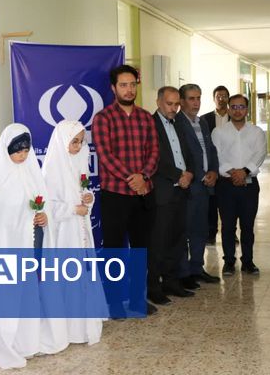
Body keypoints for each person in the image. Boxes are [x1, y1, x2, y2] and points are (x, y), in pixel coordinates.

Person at [0, 123, 50, 369]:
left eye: (26, 150)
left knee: (30, 291)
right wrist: (22, 218)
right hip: (8, 246)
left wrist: (43, 215)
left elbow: (43, 201)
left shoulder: (31, 171)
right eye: (17, 150)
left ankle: (28, 342)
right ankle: (8, 345)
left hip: (31, 241)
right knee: (9, 294)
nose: (22, 155)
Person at [92, 64, 159, 316]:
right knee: (114, 250)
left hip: (143, 194)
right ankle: (115, 303)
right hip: (115, 194)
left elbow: (154, 152)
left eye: (132, 84)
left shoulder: (146, 117)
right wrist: (132, 179)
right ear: (113, 88)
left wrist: (144, 177)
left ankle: (137, 300)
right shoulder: (103, 118)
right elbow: (105, 155)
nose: (129, 90)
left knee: (141, 250)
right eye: (123, 85)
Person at [42, 119, 104, 344]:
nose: (78, 146)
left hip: (81, 228)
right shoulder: (51, 169)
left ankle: (83, 325)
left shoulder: (79, 161)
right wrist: (72, 209)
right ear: (62, 141)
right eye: (74, 141)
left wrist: (88, 198)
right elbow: (48, 206)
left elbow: (84, 191)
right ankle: (68, 329)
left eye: (81, 141)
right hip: (63, 233)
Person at [149, 86, 195, 303]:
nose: (174, 108)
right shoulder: (150, 124)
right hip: (163, 191)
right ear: (159, 102)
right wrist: (179, 175)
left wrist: (190, 173)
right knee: (159, 242)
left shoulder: (179, 123)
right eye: (169, 104)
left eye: (177, 104)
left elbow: (189, 153)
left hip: (182, 191)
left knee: (177, 239)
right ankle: (153, 287)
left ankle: (171, 281)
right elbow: (153, 159)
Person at [212, 94, 266, 276]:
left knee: (248, 226)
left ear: (247, 109)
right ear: (228, 109)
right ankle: (229, 261)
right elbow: (216, 156)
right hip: (226, 185)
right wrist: (233, 172)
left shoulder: (257, 132)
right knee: (227, 226)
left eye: (241, 107)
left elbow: (260, 154)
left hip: (249, 185)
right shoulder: (219, 132)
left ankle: (248, 261)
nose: (237, 110)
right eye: (233, 107)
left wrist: (244, 171)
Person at [175, 84, 220, 285]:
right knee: (184, 231)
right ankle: (183, 273)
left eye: (198, 98)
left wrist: (214, 171)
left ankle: (197, 268)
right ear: (182, 101)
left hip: (204, 187)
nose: (196, 103)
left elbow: (210, 150)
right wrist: (201, 175)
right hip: (188, 186)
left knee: (200, 230)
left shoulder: (202, 122)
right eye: (191, 98)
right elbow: (183, 156)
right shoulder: (176, 123)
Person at [202, 86, 229, 245]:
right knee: (211, 203)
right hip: (211, 166)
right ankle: (211, 233)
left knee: (228, 204)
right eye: (218, 96)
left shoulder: (235, 118)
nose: (221, 99)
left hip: (229, 167)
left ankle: (230, 233)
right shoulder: (204, 119)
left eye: (224, 96)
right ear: (214, 98)